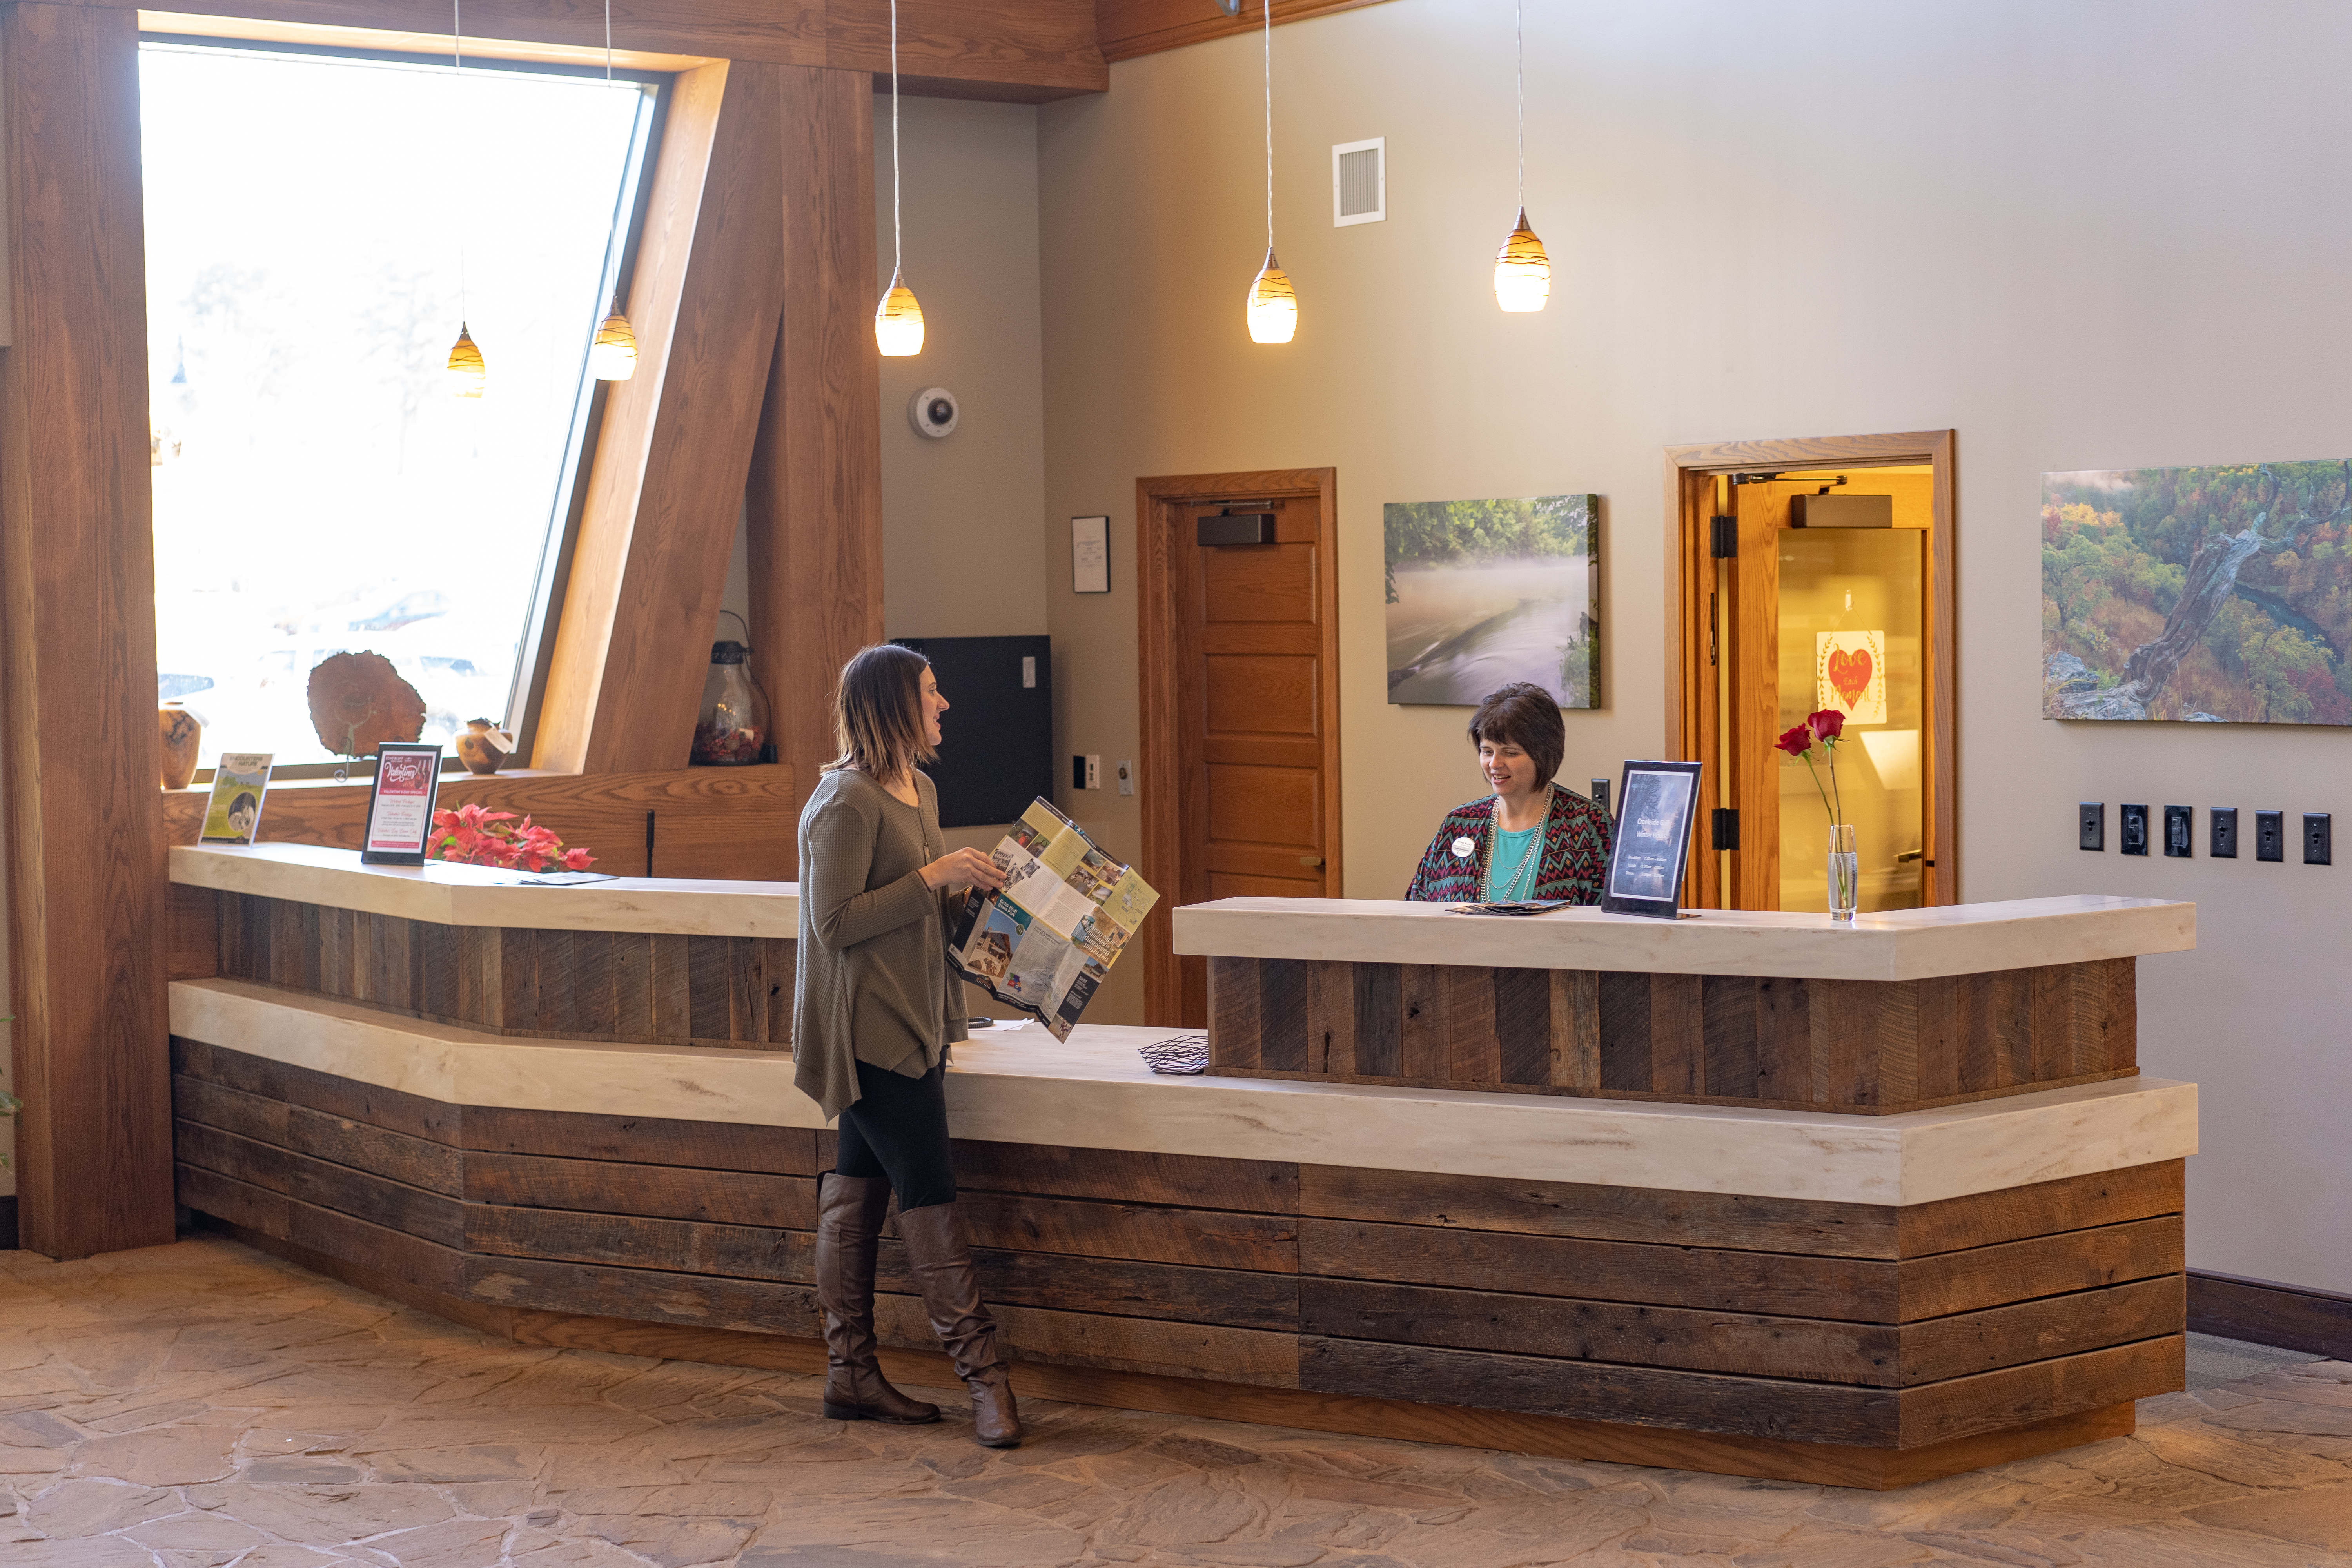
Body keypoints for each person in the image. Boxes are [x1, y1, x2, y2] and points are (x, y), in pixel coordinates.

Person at [793, 644, 1022, 1448]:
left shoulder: (918, 787)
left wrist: (963, 886)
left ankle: (849, 1372)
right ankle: (985, 1381)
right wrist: (931, 877)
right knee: (929, 1190)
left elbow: (912, 905)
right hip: (868, 1028)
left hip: (918, 1015)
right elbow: (835, 923)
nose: (945, 702)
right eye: (931, 690)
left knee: (857, 1186)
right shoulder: (842, 802)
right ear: (895, 702)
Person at [1405, 682, 1612, 903]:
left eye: (1510, 753)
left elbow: (1620, 922)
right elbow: (1416, 908)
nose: (1494, 764)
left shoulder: (1589, 824)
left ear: (1543, 755)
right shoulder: (1460, 823)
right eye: (1487, 751)